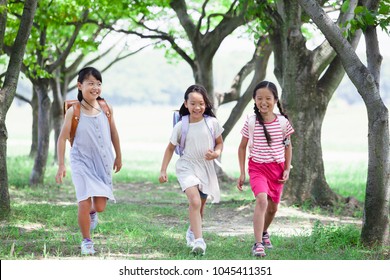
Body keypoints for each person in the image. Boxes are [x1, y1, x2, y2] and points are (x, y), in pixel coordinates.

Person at [55, 67, 122, 255]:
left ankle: (92, 213)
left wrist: (119, 155)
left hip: (102, 161)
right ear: (80, 85)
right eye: (90, 83)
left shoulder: (106, 108)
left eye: (98, 83)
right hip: (80, 161)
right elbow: (62, 138)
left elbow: (114, 133)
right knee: (83, 202)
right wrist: (61, 165)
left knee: (99, 206)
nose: (95, 87)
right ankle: (87, 241)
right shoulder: (73, 111)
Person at [159, 84, 224, 255]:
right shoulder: (181, 125)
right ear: (186, 104)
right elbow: (170, 148)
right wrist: (163, 170)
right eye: (193, 103)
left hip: (205, 167)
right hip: (186, 166)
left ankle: (192, 231)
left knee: (200, 208)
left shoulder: (212, 123)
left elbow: (219, 143)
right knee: (194, 202)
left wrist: (216, 154)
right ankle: (199, 242)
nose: (197, 107)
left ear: (206, 104)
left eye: (201, 103)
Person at [237, 81, 294, 257]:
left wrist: (287, 168)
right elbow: (242, 147)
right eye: (259, 98)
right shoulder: (251, 122)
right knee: (261, 200)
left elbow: (288, 146)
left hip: (276, 170)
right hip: (257, 168)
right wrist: (242, 172)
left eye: (268, 98)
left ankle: (263, 231)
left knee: (272, 209)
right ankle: (257, 244)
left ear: (275, 100)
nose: (264, 102)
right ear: (254, 100)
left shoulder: (283, 123)